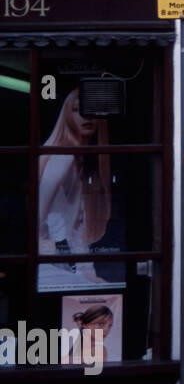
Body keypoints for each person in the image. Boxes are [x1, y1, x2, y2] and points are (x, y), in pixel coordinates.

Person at [38, 90, 112, 289]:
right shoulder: (64, 154)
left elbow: (76, 229)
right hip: (47, 262)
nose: (86, 116)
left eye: (91, 110)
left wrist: (87, 273)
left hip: (56, 260)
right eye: (77, 110)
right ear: (67, 116)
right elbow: (38, 218)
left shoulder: (80, 158)